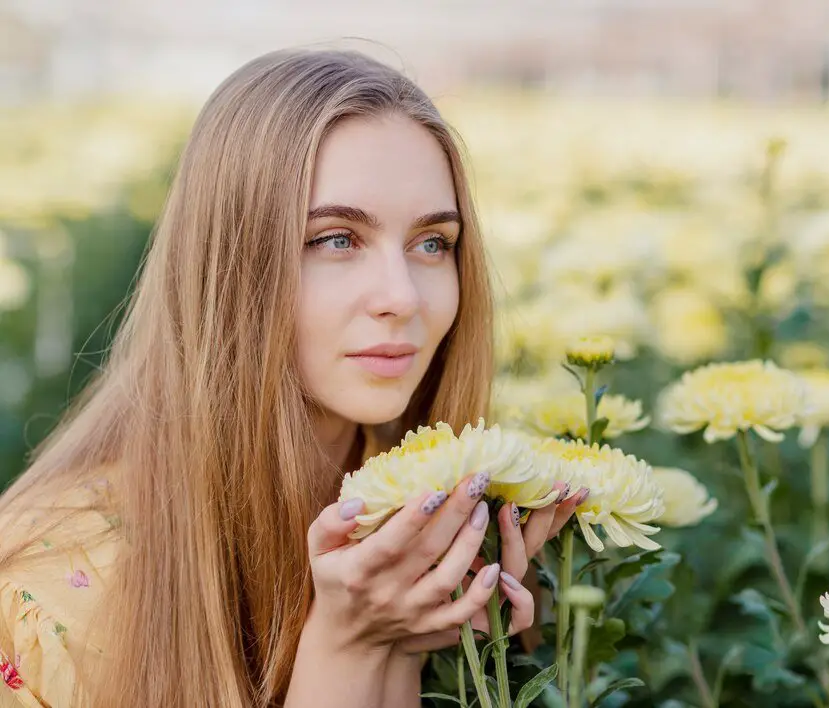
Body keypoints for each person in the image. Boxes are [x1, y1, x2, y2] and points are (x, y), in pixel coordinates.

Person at [0, 47, 581, 708]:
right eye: (337, 239)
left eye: (432, 243)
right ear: (233, 263)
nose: (403, 296)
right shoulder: (49, 590)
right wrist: (351, 647)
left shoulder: (468, 526)